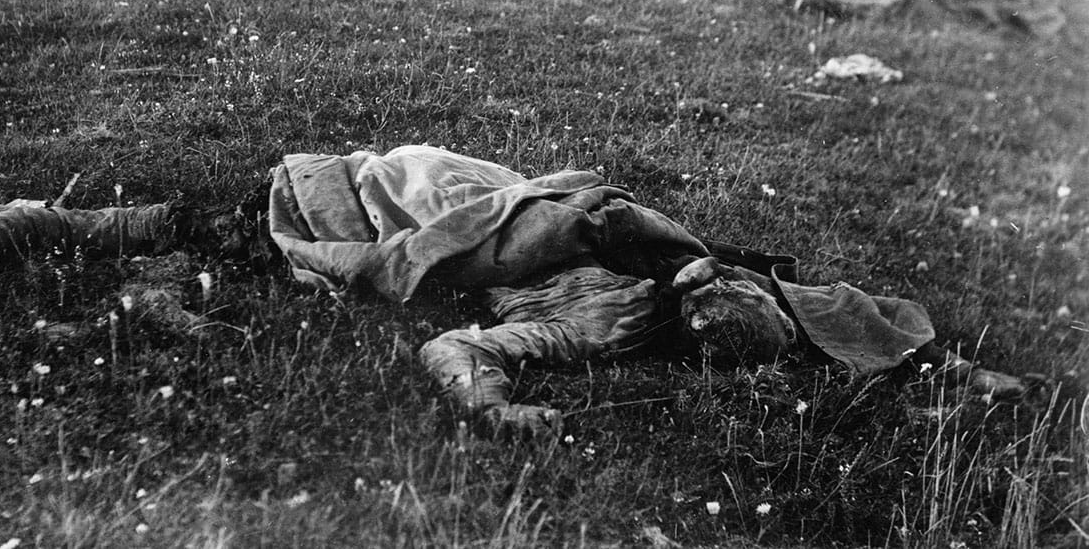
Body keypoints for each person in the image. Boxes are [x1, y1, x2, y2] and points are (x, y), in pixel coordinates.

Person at [268, 144, 1028, 436]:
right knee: (425, 177)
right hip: (543, 213)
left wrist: (489, 403)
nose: (725, 278)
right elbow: (829, 307)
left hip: (506, 244)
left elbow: (457, 343)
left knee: (392, 188)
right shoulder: (699, 289)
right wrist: (948, 368)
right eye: (731, 283)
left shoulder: (605, 324)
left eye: (719, 286)